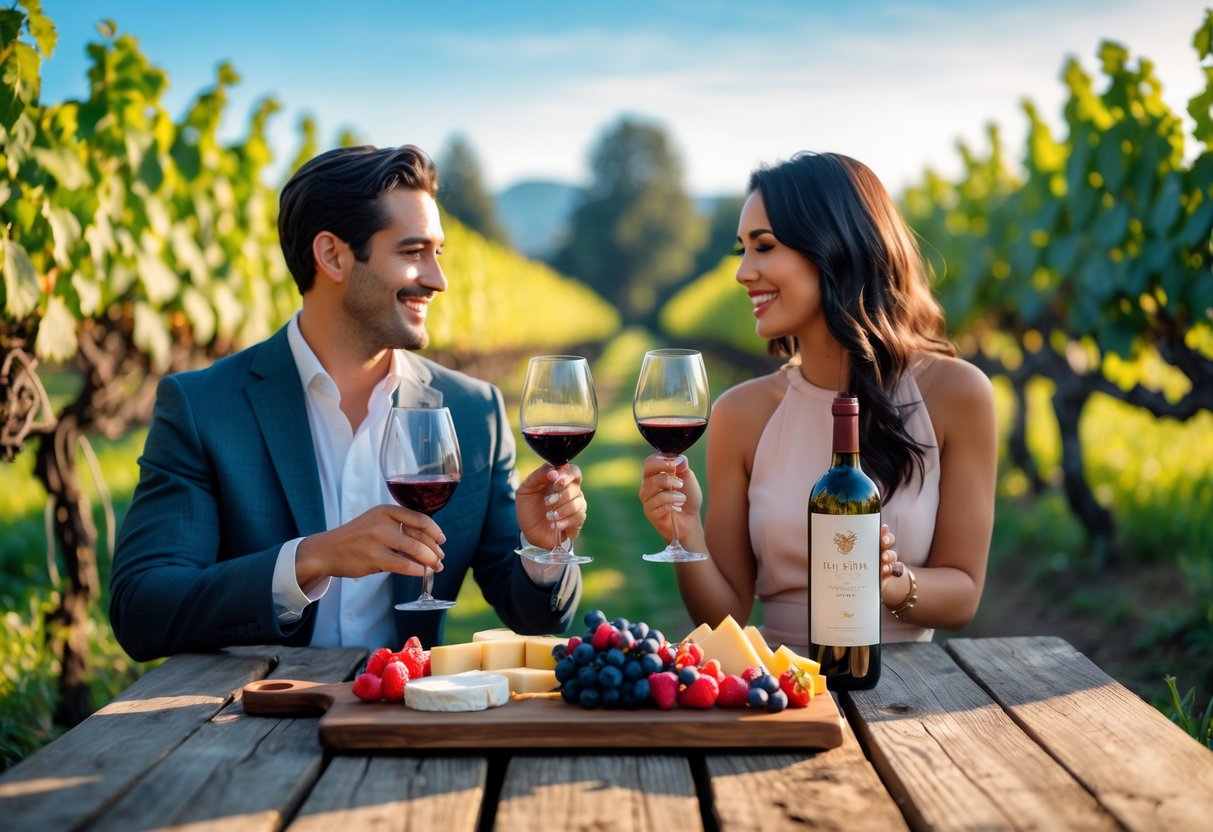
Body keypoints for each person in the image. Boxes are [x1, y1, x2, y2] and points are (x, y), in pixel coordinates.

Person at [110, 145, 583, 661]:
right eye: (411, 252)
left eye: (437, 253)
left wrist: (545, 549)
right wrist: (311, 558)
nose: (437, 279)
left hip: (405, 720)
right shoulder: (204, 408)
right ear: (332, 255)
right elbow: (142, 609)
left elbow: (534, 616)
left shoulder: (473, 413)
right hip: (240, 718)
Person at [638, 152, 996, 650]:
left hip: (911, 695)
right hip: (787, 690)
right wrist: (686, 534)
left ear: (834, 247)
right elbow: (726, 616)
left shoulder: (957, 395)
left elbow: (964, 594)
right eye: (741, 250)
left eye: (763, 247)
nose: (743, 272)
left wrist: (886, 579)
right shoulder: (740, 414)